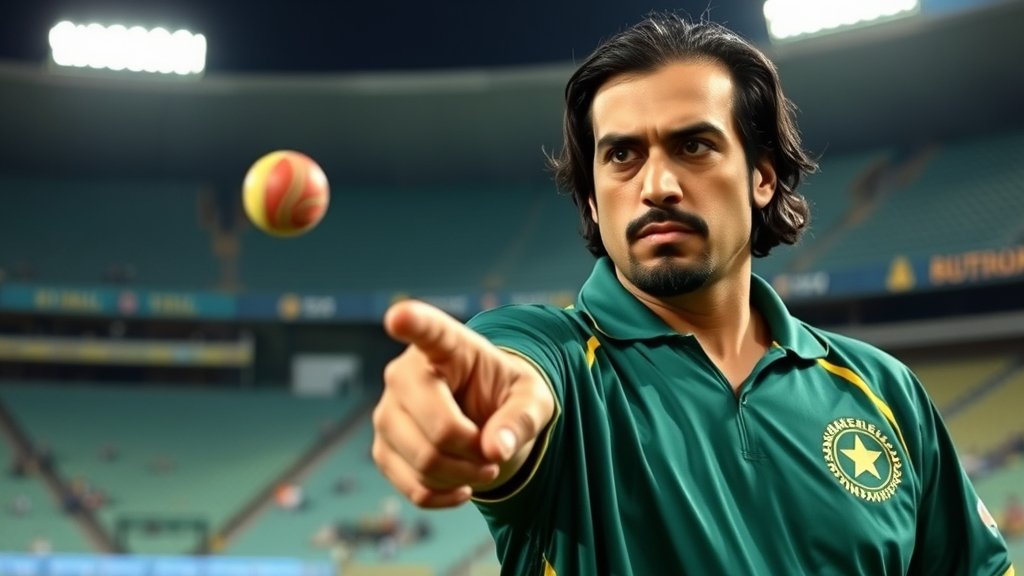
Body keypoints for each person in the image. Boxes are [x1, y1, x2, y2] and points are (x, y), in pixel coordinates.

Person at [370, 12, 1015, 575]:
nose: (657, 186)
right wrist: (477, 405)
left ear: (762, 177)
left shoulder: (886, 390)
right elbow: (511, 374)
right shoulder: (558, 359)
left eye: (694, 146)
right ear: (592, 203)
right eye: (621, 156)